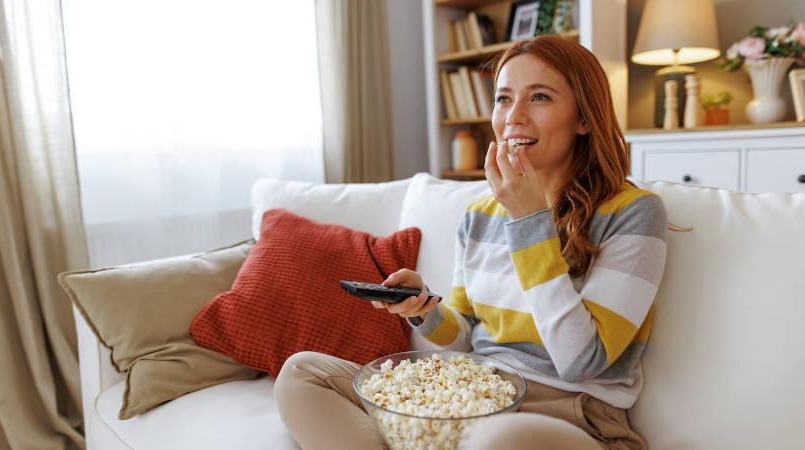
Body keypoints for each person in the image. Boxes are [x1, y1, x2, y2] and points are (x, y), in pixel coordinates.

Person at [274, 35, 666, 450]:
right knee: (302, 373)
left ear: (583, 117)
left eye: (539, 98)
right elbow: (465, 338)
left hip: (566, 414)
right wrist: (423, 309)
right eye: (503, 99)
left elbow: (582, 361)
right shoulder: (480, 215)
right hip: (468, 394)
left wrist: (529, 221)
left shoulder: (633, 213)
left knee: (500, 438)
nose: (513, 116)